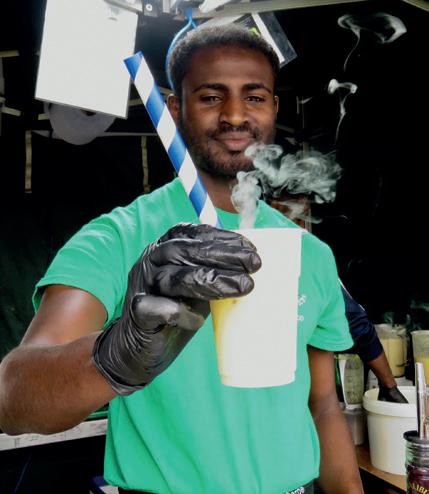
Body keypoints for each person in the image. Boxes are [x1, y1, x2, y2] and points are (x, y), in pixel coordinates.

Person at [0, 25, 364, 493]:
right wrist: (114, 356)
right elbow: (12, 399)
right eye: (211, 97)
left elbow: (323, 405)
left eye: (254, 97)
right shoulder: (118, 237)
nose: (235, 115)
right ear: (174, 109)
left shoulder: (310, 253)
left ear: (274, 107)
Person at [268, 194, 408, 404]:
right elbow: (357, 323)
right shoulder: (307, 255)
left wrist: (389, 386)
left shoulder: (311, 256)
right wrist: (389, 385)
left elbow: (356, 323)